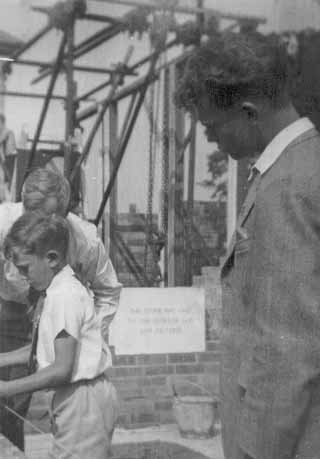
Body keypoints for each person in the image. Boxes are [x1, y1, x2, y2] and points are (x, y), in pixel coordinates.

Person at [176, 31, 320, 459]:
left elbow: (285, 352)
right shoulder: (302, 166)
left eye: (211, 126)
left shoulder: (287, 187)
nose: (212, 141)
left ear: (249, 112)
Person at [0, 167, 121, 450]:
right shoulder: (1, 220)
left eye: (50, 217)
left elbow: (108, 291)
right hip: (12, 313)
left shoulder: (83, 244)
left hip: (69, 341)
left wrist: (87, 338)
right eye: (32, 213)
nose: (40, 224)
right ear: (22, 202)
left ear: (66, 210)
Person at [0, 212, 118, 459]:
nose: (22, 275)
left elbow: (61, 368)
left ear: (51, 258)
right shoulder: (56, 290)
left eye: (25, 268)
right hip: (77, 397)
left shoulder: (65, 296)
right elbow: (46, 348)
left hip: (83, 399)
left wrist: (2, 389)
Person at [0, 112, 18, 190]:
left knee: (10, 182)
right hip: (8, 159)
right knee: (7, 182)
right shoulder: (2, 134)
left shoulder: (7, 132)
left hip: (12, 158)